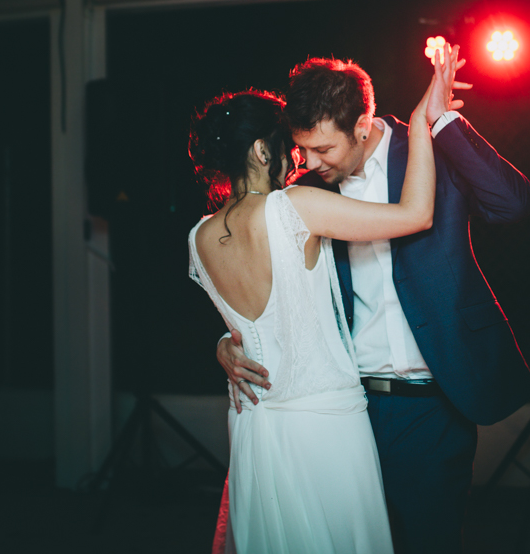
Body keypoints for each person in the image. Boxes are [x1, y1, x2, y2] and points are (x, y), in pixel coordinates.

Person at [217, 50, 530, 553]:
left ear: (362, 126)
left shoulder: (427, 149)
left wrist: (442, 120)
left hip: (432, 402)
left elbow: (511, 204)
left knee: (430, 541)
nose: (310, 163)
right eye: (303, 150)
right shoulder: (306, 195)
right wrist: (228, 340)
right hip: (348, 407)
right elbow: (267, 287)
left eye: (322, 148)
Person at [188, 46, 461, 553]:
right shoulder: (297, 208)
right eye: (286, 145)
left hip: (254, 422)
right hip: (326, 422)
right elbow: (416, 215)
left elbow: (252, 322)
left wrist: (225, 343)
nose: (300, 158)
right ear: (260, 151)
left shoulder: (199, 237)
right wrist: (423, 122)